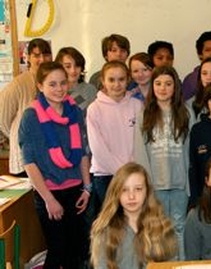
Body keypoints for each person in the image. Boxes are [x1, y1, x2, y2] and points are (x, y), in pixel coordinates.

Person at [19, 61, 91, 268]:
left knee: (77, 250)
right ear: (40, 86)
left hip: (76, 191)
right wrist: (49, 199)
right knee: (58, 250)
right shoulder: (31, 117)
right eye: (52, 84)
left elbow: (82, 152)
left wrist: (87, 187)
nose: (59, 89)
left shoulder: (74, 111)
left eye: (62, 83)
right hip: (49, 193)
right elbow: (29, 163)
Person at [134, 66, 193, 259]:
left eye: (168, 84)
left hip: (179, 184)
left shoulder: (186, 113)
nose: (163, 88)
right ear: (152, 87)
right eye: (158, 84)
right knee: (157, 229)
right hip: (155, 184)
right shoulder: (145, 114)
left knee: (179, 226)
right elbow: (140, 152)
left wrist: (188, 184)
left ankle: (181, 263)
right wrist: (145, 185)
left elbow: (189, 151)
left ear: (175, 87)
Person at [90, 162, 178, 269]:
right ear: (116, 192)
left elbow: (172, 265)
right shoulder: (105, 230)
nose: (131, 196)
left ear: (147, 191)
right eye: (124, 189)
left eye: (138, 189)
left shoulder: (163, 227)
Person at [87, 61, 143, 212]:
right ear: (103, 81)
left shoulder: (137, 106)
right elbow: (98, 148)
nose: (117, 84)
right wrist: (121, 173)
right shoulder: (94, 109)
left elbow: (140, 143)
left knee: (133, 220)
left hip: (133, 173)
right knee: (112, 223)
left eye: (121, 79)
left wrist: (130, 171)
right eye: (111, 80)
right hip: (105, 175)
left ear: (128, 80)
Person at [0, 38, 52, 176]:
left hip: (48, 158)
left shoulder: (53, 82)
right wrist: (19, 135)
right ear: (28, 57)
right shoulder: (18, 84)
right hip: (24, 159)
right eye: (36, 55)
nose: (42, 59)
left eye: (46, 54)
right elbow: (3, 119)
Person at [55, 47, 98, 115]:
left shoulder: (90, 90)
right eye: (68, 66)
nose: (73, 71)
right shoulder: (53, 91)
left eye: (77, 66)